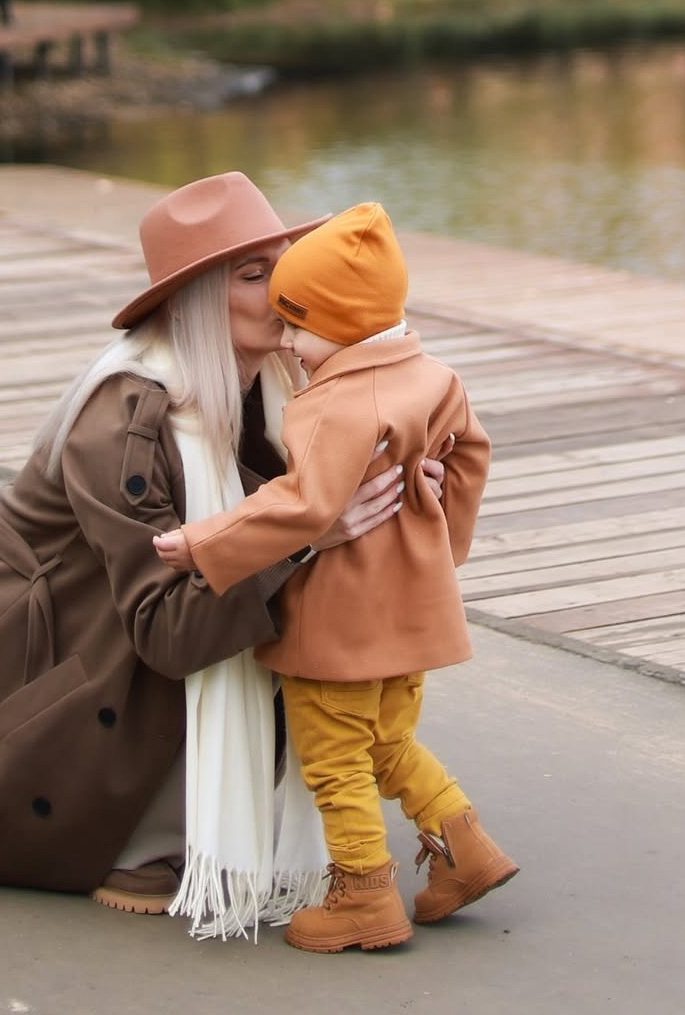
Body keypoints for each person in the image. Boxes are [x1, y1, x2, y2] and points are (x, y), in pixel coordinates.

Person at [0, 172, 447, 935]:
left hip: (121, 646)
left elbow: (320, 530)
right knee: (260, 590)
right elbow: (167, 632)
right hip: (36, 671)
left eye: (283, 262)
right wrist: (309, 535)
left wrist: (399, 483)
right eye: (255, 274)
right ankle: (147, 835)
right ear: (194, 302)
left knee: (306, 594)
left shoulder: (287, 395)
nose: (285, 285)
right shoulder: (126, 419)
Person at [154, 201, 519, 953]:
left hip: (341, 622)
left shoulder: (331, 407)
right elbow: (471, 457)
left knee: (333, 760)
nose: (286, 341)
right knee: (387, 742)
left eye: (296, 325)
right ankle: (467, 849)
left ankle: (363, 896)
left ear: (342, 324)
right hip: (412, 613)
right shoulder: (435, 376)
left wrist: (203, 541)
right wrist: (442, 542)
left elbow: (302, 505)